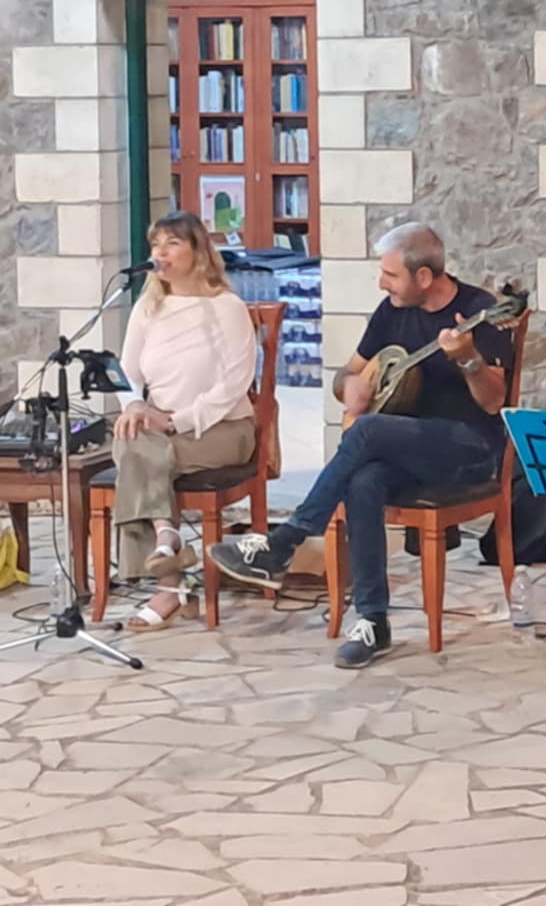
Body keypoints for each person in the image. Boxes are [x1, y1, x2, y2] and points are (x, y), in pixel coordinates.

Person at [212, 224, 511, 668]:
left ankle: (286, 540)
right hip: (406, 449)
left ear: (424, 276)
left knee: (368, 432)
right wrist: (349, 386)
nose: (381, 283)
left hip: (469, 448)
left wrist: (467, 357)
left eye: (390, 275)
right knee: (364, 480)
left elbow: (493, 402)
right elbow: (346, 375)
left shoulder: (479, 313)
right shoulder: (392, 311)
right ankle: (373, 620)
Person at [110, 211, 260, 631]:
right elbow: (127, 373)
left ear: (198, 252)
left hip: (221, 429)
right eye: (155, 244)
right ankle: (168, 548)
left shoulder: (226, 307)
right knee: (131, 439)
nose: (160, 252)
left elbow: (235, 383)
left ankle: (169, 579)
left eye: (172, 243)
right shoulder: (148, 307)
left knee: (135, 456)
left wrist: (177, 421)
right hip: (157, 432)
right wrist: (134, 406)